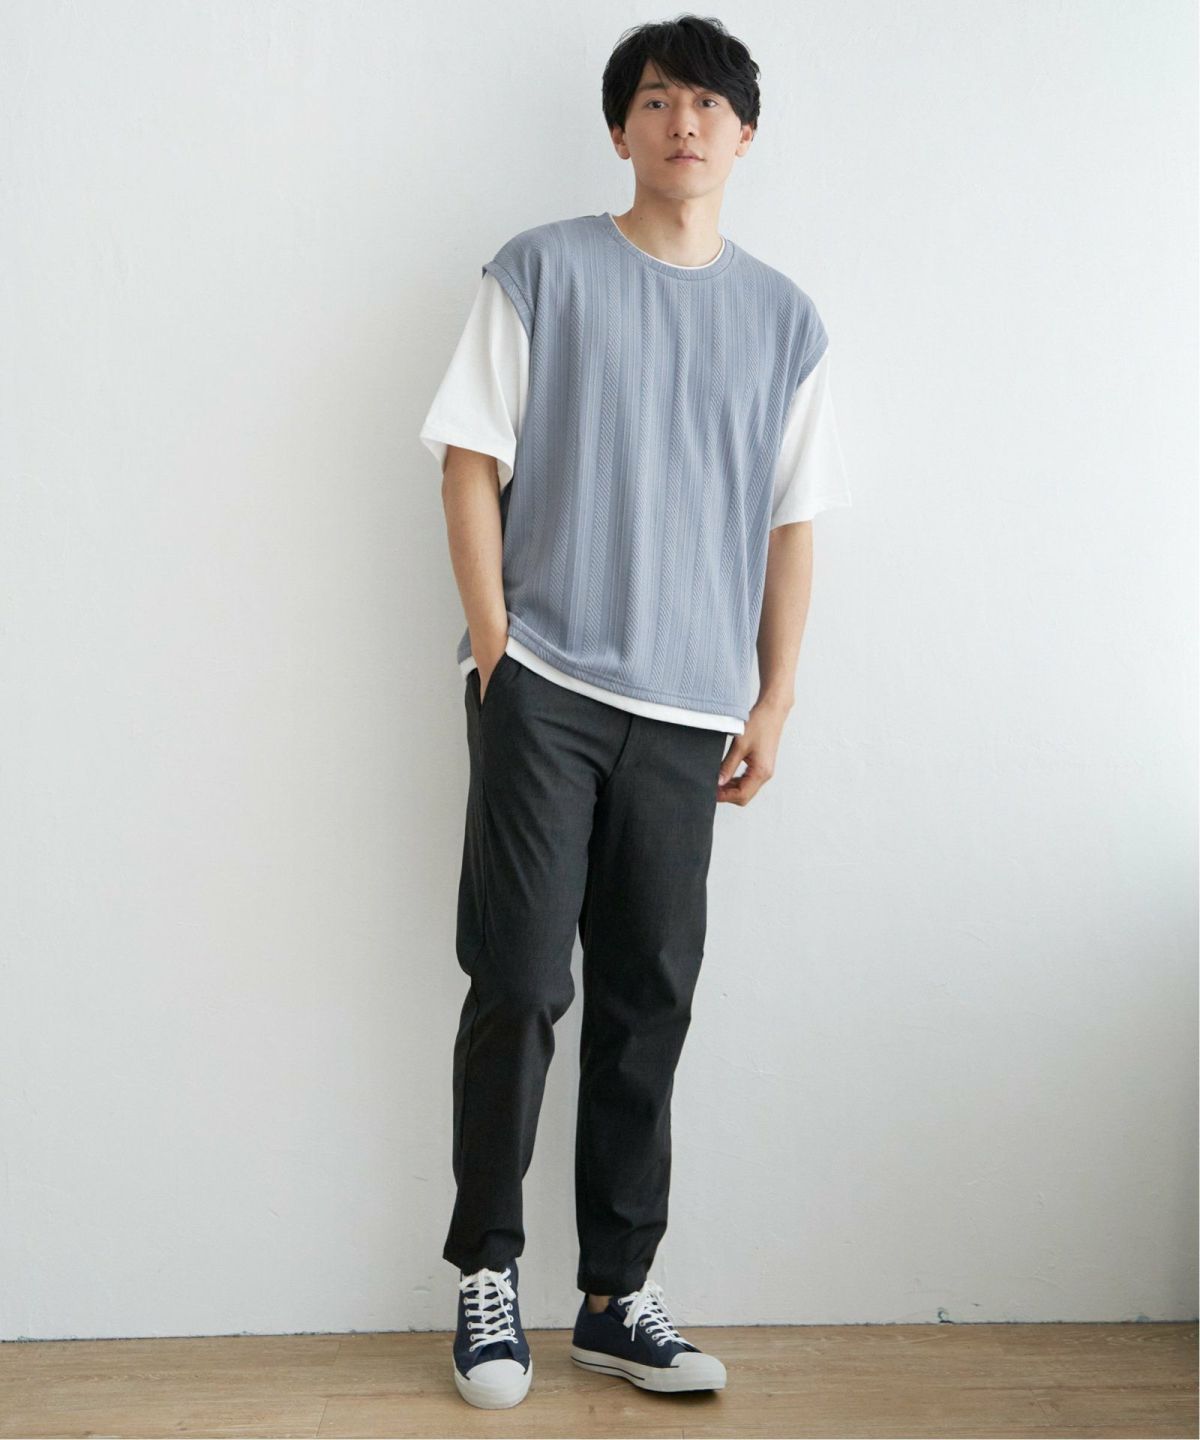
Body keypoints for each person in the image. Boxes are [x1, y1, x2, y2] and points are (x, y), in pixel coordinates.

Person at [418, 13, 851, 1410]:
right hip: (545, 686)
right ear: (621, 129)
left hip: (687, 709)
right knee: (519, 981)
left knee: (648, 998)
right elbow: (469, 458)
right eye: (658, 100)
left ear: (746, 135)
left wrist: (775, 697)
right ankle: (488, 1274)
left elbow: (790, 524)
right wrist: (499, 655)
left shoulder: (787, 323)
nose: (684, 123)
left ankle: (615, 1298)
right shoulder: (542, 270)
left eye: (710, 104)